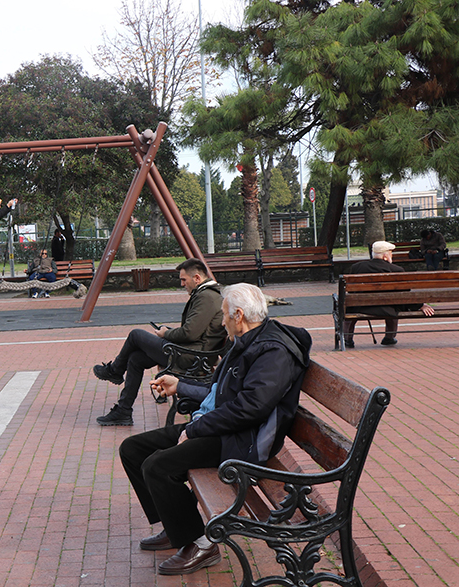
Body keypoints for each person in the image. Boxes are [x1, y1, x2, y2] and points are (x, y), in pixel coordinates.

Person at [121, 283, 312, 576]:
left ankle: (201, 544)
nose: (221, 321)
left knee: (157, 466)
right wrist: (180, 386)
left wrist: (195, 431)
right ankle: (176, 528)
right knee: (132, 450)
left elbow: (251, 408)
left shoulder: (273, 351)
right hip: (222, 427)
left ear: (238, 315)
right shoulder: (248, 340)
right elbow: (219, 391)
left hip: (243, 441)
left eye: (224, 315)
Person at [92, 258, 227, 426]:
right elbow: (194, 331)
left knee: (136, 335)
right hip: (191, 352)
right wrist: (168, 331)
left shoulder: (207, 297)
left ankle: (115, 370)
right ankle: (123, 410)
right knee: (135, 358)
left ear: (197, 278)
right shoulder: (206, 294)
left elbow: (190, 333)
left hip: (191, 357)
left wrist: (166, 333)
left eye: (184, 280)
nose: (182, 284)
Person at [343, 240, 434, 348]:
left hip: (361, 307)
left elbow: (351, 291)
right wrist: (420, 305)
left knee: (352, 306)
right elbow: (405, 294)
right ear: (386, 256)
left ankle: (347, 339)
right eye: (391, 253)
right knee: (395, 304)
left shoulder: (357, 267)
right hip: (388, 308)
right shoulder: (397, 270)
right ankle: (389, 337)